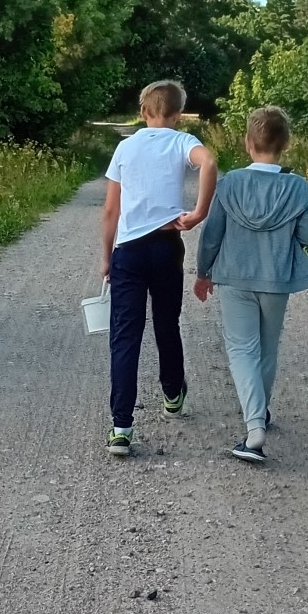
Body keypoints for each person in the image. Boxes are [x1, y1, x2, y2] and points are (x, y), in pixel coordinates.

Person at [193, 107, 308, 463]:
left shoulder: (230, 183)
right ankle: (260, 414)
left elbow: (212, 234)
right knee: (267, 349)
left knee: (241, 350)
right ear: (286, 144)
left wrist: (203, 272)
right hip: (276, 279)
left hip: (234, 277)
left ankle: (254, 430)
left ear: (248, 143)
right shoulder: (299, 189)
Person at [100, 80, 218, 455]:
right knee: (167, 322)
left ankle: (121, 427)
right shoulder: (183, 142)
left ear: (143, 111)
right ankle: (171, 392)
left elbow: (110, 211)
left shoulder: (125, 147)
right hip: (167, 246)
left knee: (125, 334)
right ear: (178, 114)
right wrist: (198, 213)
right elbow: (210, 162)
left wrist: (107, 256)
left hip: (129, 251)